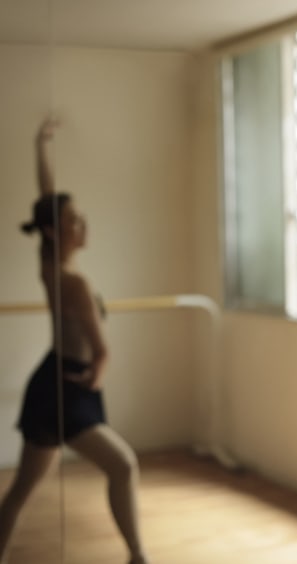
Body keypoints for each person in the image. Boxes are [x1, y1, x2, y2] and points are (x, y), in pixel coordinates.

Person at [0, 118, 149, 564]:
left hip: (55, 383)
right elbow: (101, 352)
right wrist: (97, 377)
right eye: (72, 219)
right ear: (54, 231)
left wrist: (41, 145)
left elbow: (46, 201)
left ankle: (137, 554)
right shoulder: (72, 282)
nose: (82, 223)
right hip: (69, 387)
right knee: (123, 466)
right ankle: (138, 556)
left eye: (80, 216)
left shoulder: (49, 268)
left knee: (22, 491)